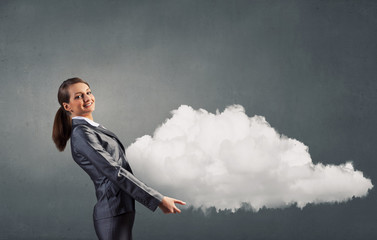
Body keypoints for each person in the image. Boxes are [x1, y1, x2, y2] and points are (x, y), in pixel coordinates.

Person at [52, 77, 185, 240]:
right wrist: (157, 200)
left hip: (121, 208)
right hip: (112, 211)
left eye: (88, 92)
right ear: (67, 106)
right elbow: (114, 171)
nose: (87, 98)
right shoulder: (82, 134)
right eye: (78, 96)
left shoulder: (93, 129)